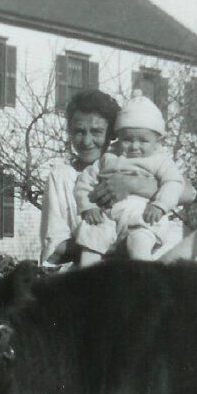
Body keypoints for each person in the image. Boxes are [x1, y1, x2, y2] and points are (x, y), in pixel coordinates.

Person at [39, 90, 159, 267]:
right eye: (79, 131)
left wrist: (131, 184)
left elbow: (187, 191)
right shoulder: (61, 177)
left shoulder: (136, 164)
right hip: (89, 273)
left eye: (96, 132)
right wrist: (105, 242)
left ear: (112, 134)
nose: (87, 141)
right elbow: (55, 248)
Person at [74, 90, 186, 266]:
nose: (134, 146)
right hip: (108, 217)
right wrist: (88, 207)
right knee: (90, 242)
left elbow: (174, 183)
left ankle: (144, 278)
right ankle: (88, 277)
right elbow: (85, 181)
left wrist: (160, 205)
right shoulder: (109, 157)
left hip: (143, 216)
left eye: (143, 140)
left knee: (139, 245)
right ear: (118, 137)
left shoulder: (160, 160)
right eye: (127, 139)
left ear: (157, 140)